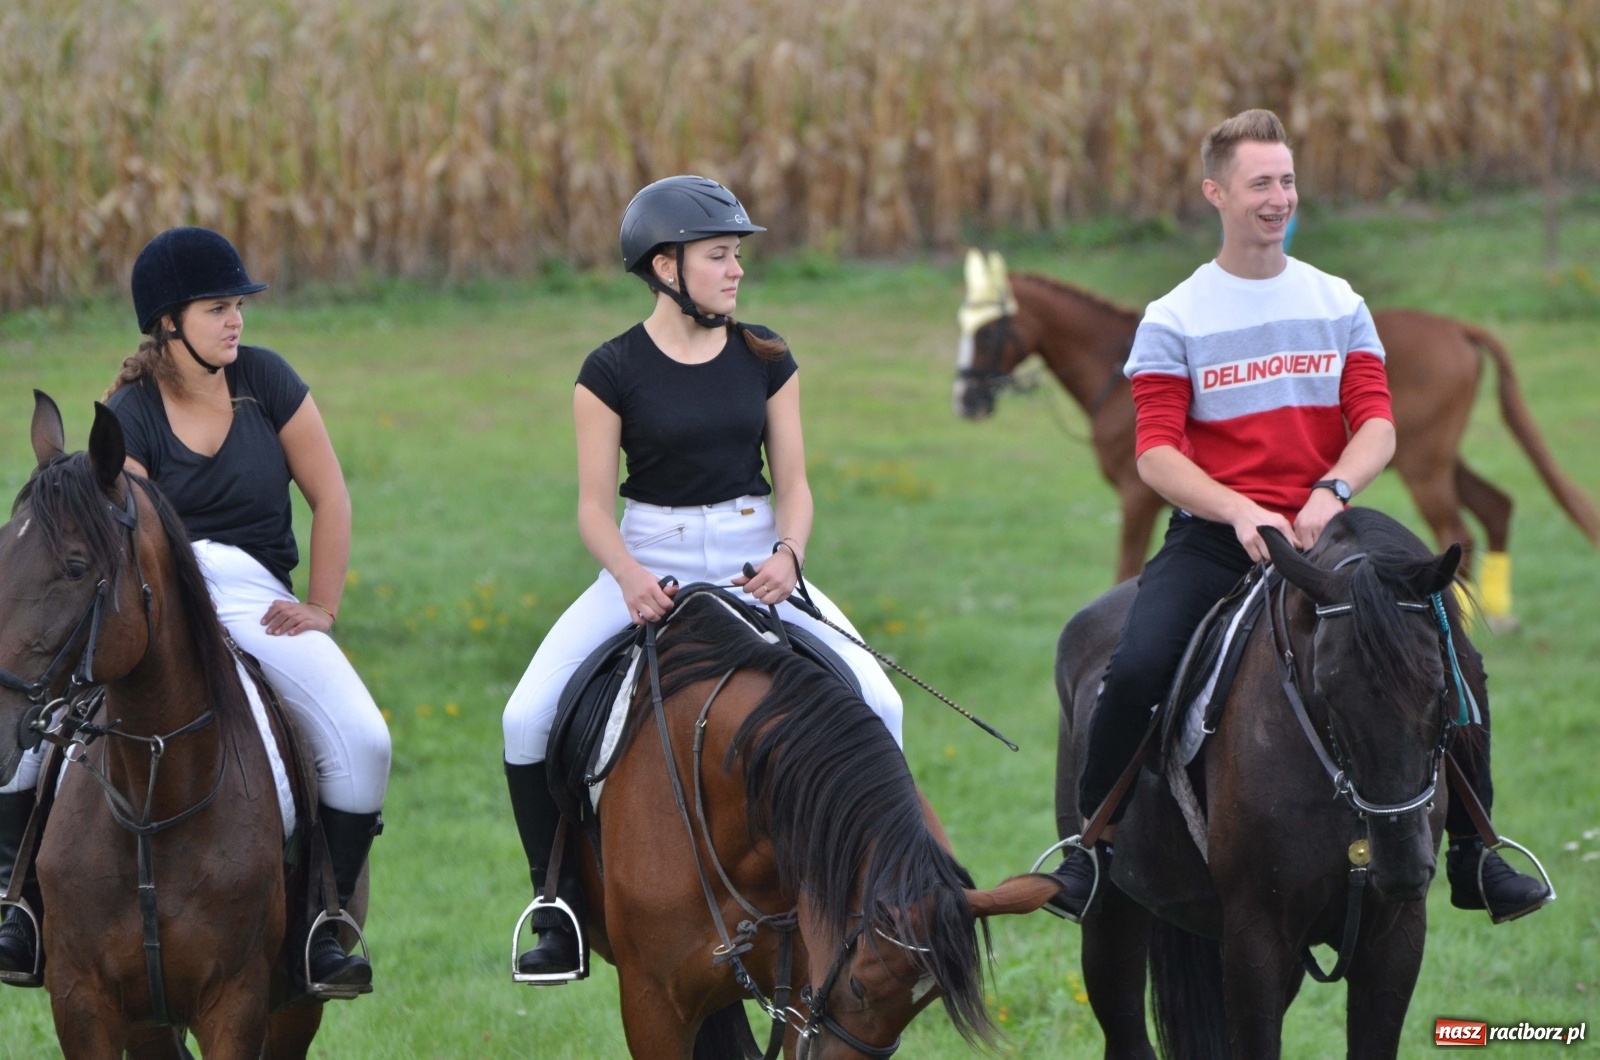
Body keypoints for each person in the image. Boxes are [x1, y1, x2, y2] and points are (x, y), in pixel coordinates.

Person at [1047, 110, 1548, 923]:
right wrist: (1241, 510)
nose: (1279, 198)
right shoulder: (1175, 316)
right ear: (1216, 193)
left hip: (1333, 529)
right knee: (1134, 667)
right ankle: (1090, 855)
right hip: (1217, 535)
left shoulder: (1335, 301)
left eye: (1286, 181)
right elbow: (1158, 455)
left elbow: (1376, 424)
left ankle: (1476, 858)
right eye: (1260, 184)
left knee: (1457, 656)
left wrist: (1331, 492)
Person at [501, 175, 905, 977]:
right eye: (719, 255)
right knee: (525, 716)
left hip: (759, 562)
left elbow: (794, 484)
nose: (736, 270)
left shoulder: (766, 355)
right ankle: (559, 907)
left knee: (881, 700)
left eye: (737, 256)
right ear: (664, 266)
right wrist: (627, 577)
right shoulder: (609, 370)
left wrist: (791, 555)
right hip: (652, 559)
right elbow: (590, 507)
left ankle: (874, 884)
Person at [6, 226, 390, 991]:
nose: (236, 321)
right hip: (159, 597)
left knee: (365, 740)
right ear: (168, 322)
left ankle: (324, 922)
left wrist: (322, 604)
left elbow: (330, 495)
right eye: (218, 308)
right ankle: (20, 911)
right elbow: (135, 533)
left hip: (259, 596)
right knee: (27, 741)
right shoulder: (131, 410)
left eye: (238, 306)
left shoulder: (269, 381)